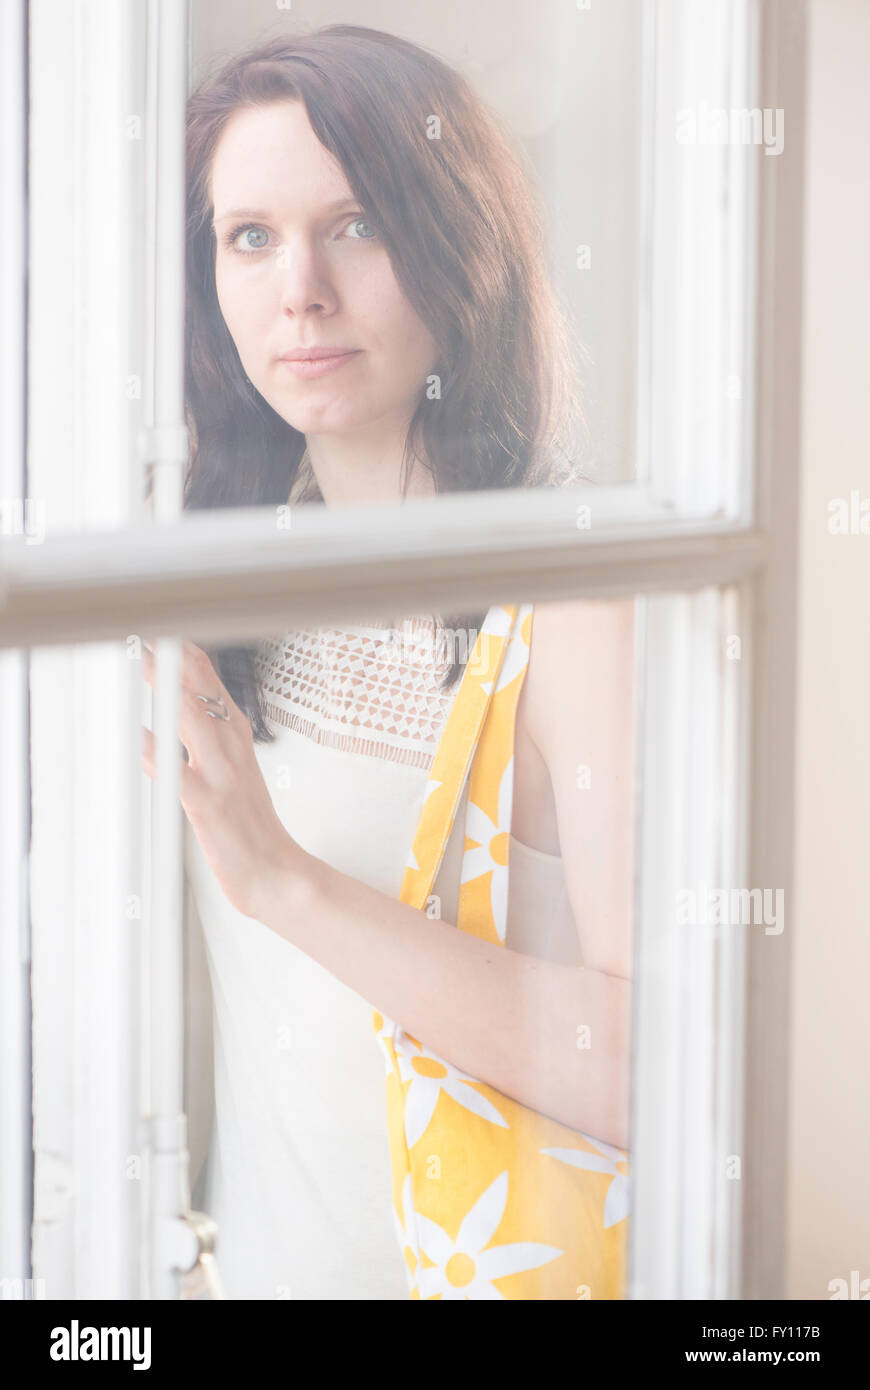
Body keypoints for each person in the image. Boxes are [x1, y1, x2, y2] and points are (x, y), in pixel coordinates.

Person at [144, 24, 634, 1300]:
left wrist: (288, 881)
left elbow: (662, 1066)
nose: (298, 287)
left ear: (454, 244)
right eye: (249, 237)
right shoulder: (210, 581)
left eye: (354, 224)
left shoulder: (573, 600)